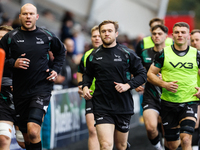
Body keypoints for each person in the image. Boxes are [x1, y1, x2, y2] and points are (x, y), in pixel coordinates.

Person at [0, 3, 66, 150]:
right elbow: (0, 58)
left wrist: (55, 69)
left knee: (34, 131)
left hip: (41, 88)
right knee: (26, 140)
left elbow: (61, 51)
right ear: (20, 16)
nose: (28, 16)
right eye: (25, 14)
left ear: (36, 17)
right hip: (19, 91)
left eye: (31, 14)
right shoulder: (11, 37)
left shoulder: (46, 35)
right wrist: (13, 63)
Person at [83, 20, 147, 150]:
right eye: (103, 31)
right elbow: (88, 75)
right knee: (106, 145)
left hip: (123, 105)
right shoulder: (93, 56)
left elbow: (142, 75)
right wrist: (85, 87)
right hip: (102, 105)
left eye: (110, 31)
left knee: (121, 146)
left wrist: (128, 85)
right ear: (100, 34)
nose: (106, 34)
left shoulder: (127, 53)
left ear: (116, 33)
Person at [147, 22, 200, 150]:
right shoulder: (163, 53)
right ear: (172, 35)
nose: (180, 35)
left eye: (183, 32)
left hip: (190, 101)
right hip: (168, 103)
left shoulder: (196, 54)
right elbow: (150, 74)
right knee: (172, 145)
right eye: (177, 32)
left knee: (186, 139)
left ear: (188, 35)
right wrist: (164, 84)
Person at [136, 25, 168, 150]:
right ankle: (158, 147)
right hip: (150, 96)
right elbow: (138, 72)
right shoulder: (145, 53)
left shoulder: (171, 53)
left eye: (160, 34)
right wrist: (137, 83)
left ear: (166, 35)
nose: (156, 36)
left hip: (169, 96)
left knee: (168, 132)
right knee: (150, 127)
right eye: (154, 34)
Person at [77, 25, 102, 150]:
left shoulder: (116, 53)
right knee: (93, 131)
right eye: (94, 36)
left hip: (110, 97)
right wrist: (81, 85)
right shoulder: (86, 55)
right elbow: (80, 72)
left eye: (99, 36)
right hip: (91, 95)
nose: (97, 38)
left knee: (108, 135)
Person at [0, 25, 25, 150]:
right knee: (4, 139)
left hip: (21, 100)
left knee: (24, 142)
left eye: (4, 38)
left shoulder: (23, 54)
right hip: (3, 100)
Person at [190, 29, 200, 149]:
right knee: (195, 124)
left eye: (197, 40)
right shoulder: (187, 56)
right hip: (193, 95)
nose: (194, 43)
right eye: (192, 40)